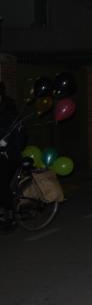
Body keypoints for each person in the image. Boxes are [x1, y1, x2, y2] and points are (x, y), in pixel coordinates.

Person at [0, 82, 25, 231]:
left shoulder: (10, 111)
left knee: (1, 181)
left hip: (9, 155)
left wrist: (6, 145)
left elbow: (21, 136)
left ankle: (10, 215)